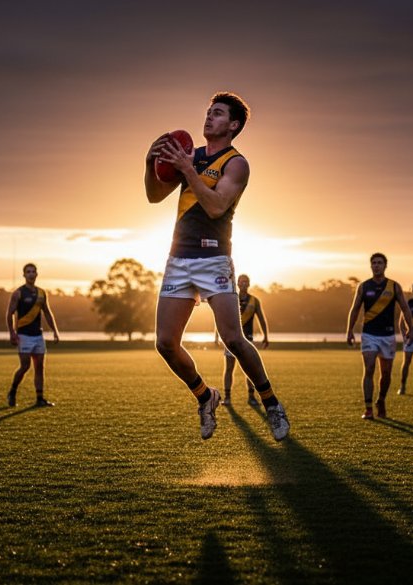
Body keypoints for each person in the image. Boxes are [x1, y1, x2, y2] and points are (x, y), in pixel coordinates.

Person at [145, 91, 289, 441]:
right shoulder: (189, 156)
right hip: (179, 257)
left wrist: (187, 170)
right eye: (208, 112)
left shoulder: (236, 163)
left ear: (233, 124)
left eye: (218, 113)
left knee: (234, 340)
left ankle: (271, 403)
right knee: (165, 343)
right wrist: (149, 164)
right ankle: (205, 396)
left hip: (213, 258)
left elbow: (215, 207)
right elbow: (154, 195)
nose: (209, 117)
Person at [345, 253, 413, 420]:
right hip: (369, 334)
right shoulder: (363, 286)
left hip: (388, 336)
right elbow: (354, 309)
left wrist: (410, 329)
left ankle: (381, 400)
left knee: (386, 373)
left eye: (379, 263)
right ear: (370, 266)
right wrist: (349, 330)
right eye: (374, 263)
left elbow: (405, 309)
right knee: (369, 368)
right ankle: (368, 408)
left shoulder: (394, 286)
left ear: (385, 265)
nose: (376, 265)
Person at [6, 263, 60, 408]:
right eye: (28, 272)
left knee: (40, 367)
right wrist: (12, 333)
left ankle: (39, 399)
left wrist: (55, 330)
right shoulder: (18, 293)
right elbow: (9, 314)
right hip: (23, 336)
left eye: (33, 272)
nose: (31, 274)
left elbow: (47, 312)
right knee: (25, 366)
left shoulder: (42, 293)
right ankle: (12, 391)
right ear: (24, 275)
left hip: (38, 336)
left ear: (37, 274)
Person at [217, 274, 269, 407]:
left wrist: (266, 336)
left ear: (249, 284)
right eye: (241, 282)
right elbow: (221, 318)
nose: (243, 284)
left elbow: (261, 319)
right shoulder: (231, 298)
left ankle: (251, 397)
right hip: (231, 340)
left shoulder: (254, 301)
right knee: (229, 368)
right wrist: (216, 335)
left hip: (248, 340)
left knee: (250, 369)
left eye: (246, 282)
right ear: (237, 284)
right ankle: (227, 397)